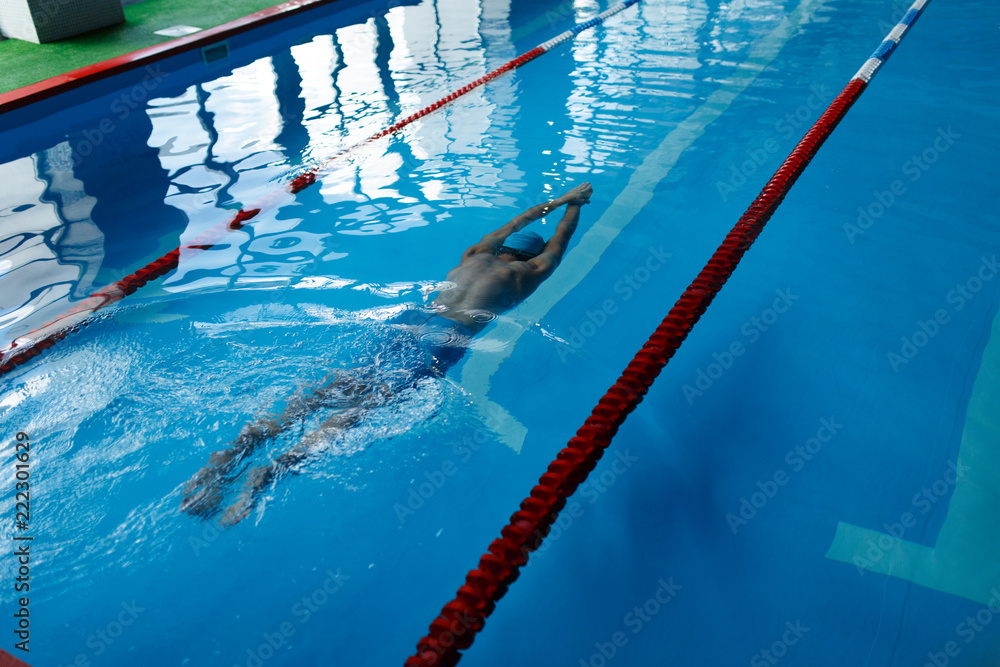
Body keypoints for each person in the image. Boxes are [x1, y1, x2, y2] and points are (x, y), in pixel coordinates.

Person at [181, 182, 593, 525]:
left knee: (332, 387)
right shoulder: (526, 275)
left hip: (410, 318)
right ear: (526, 256)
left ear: (504, 246)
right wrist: (575, 208)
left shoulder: (475, 254)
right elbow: (560, 242)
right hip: (448, 335)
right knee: (368, 404)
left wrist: (559, 199)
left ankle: (232, 452)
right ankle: (271, 470)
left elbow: (517, 222)